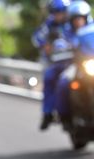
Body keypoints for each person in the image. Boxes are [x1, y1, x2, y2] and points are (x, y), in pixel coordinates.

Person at [31, 0, 71, 130]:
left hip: (77, 61)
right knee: (49, 78)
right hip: (57, 62)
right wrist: (45, 46)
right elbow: (37, 37)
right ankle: (48, 113)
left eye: (61, 12)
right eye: (55, 12)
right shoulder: (49, 25)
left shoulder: (74, 21)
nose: (59, 15)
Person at [55, 0, 93, 128]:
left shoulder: (92, 29)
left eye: (80, 18)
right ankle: (65, 117)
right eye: (75, 19)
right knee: (63, 83)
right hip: (76, 65)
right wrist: (61, 47)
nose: (78, 21)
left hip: (91, 64)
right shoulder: (66, 31)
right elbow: (60, 43)